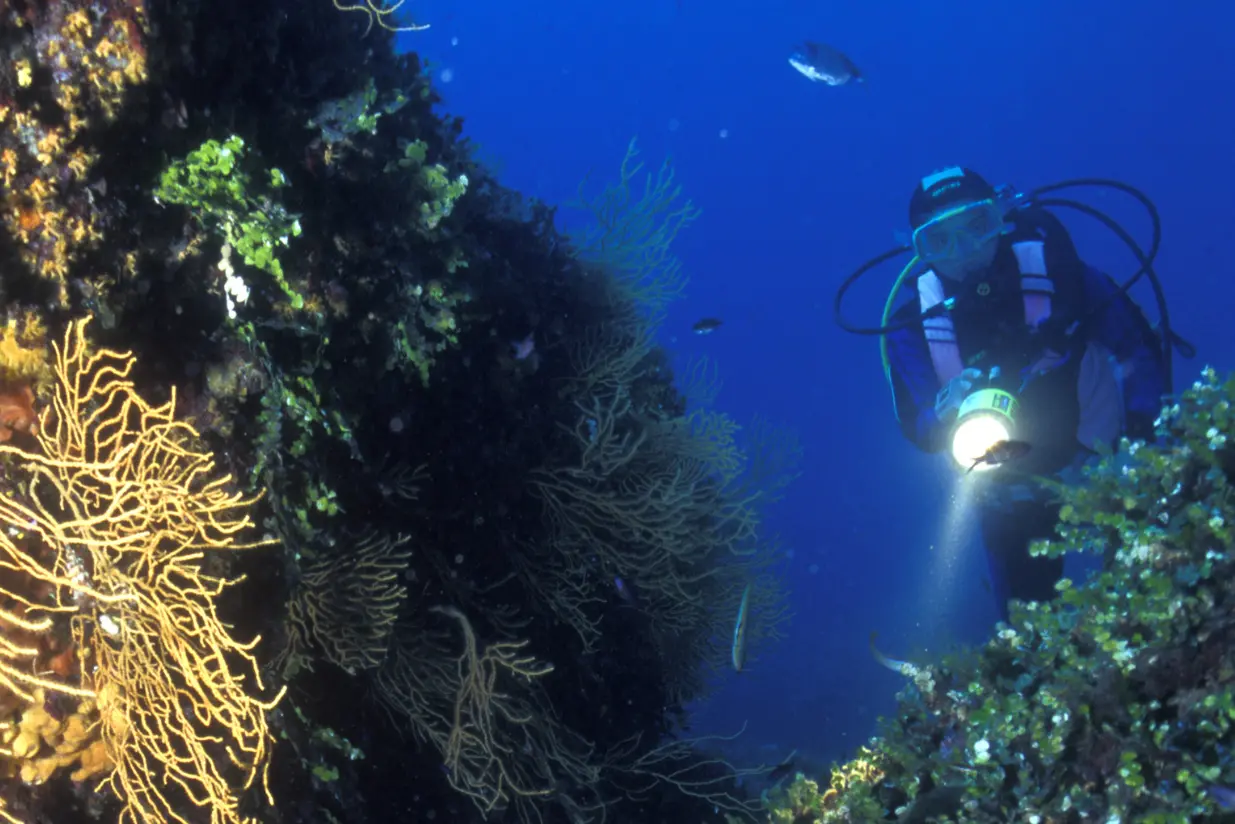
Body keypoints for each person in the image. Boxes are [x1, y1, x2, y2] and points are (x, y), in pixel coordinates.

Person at [884, 167, 1168, 620]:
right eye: (940, 241)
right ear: (918, 249)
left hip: (1106, 459)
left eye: (977, 227)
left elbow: (1138, 349)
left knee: (1160, 583)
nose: (965, 253)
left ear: (1001, 215)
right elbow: (919, 429)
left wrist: (1141, 437)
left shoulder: (1062, 275)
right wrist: (946, 407)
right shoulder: (910, 328)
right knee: (1028, 626)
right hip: (1007, 486)